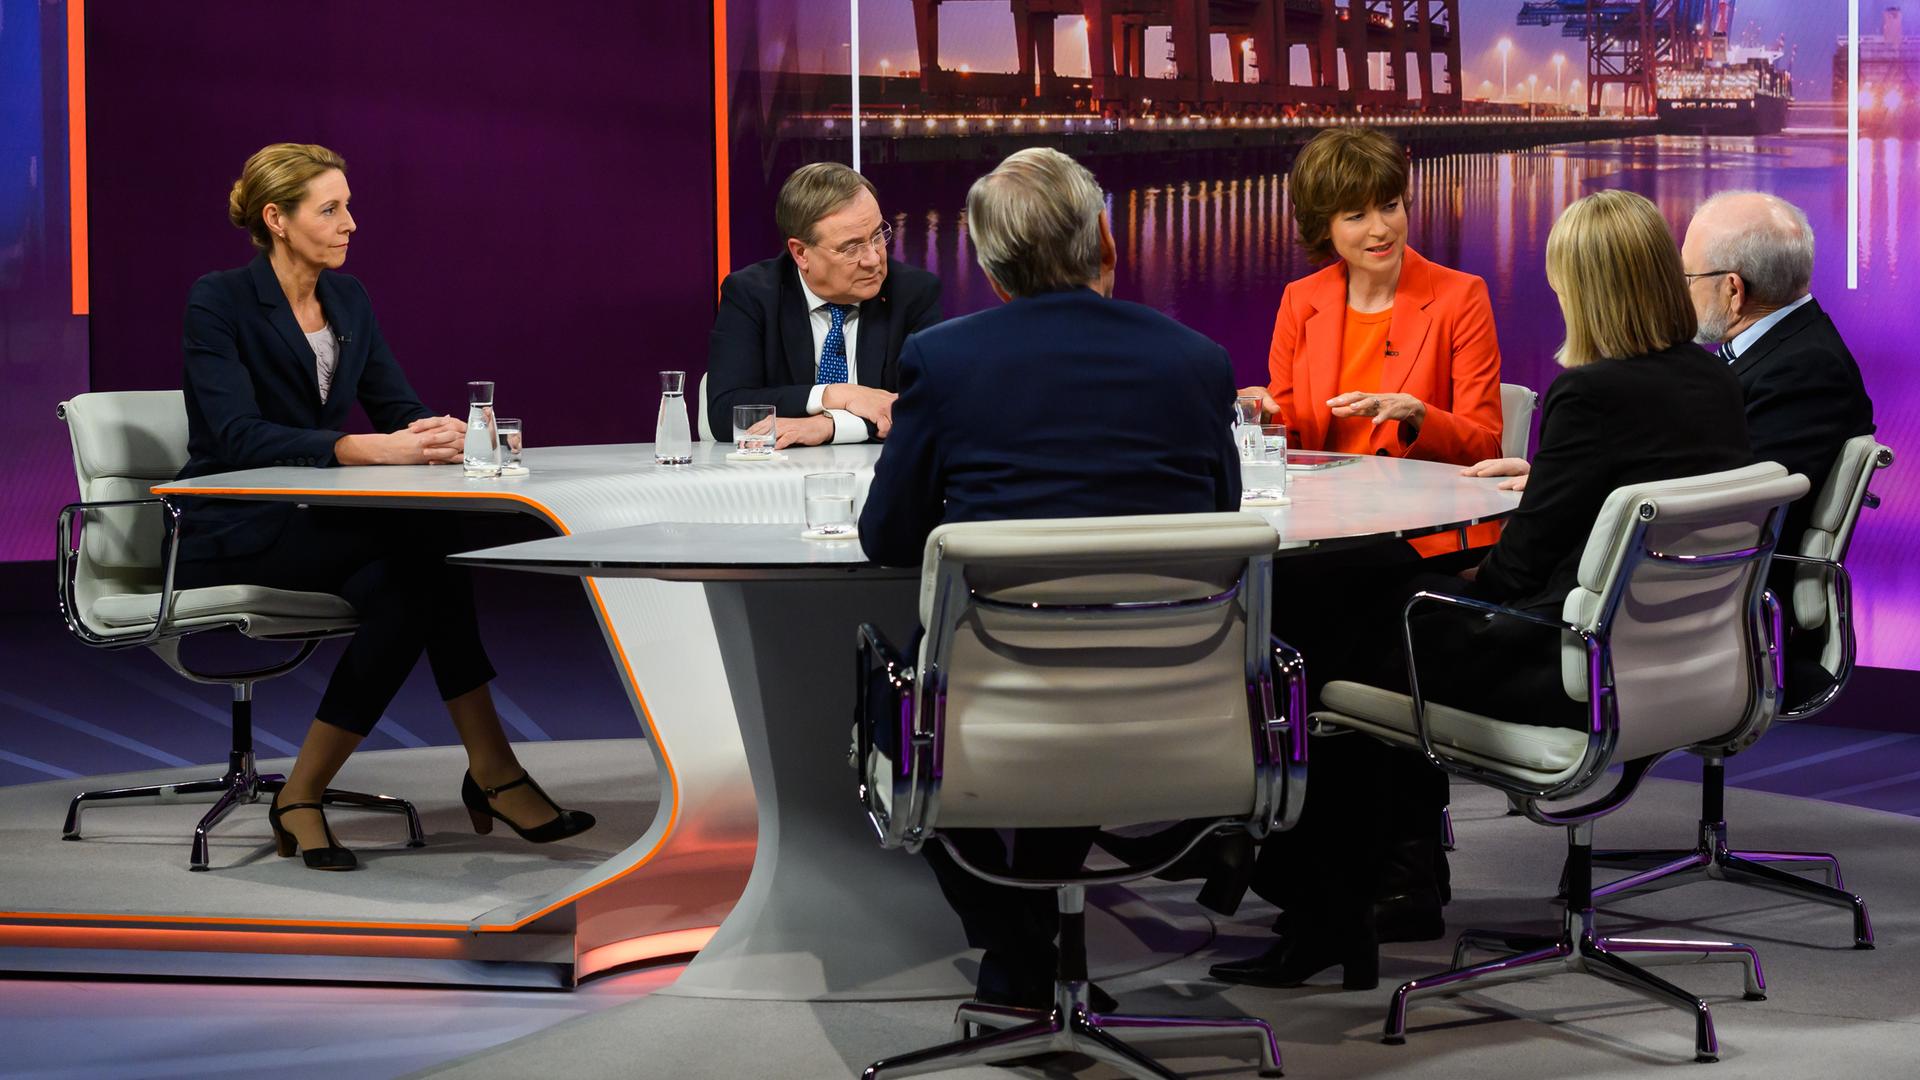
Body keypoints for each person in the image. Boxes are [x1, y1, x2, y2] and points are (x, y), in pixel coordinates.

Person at [1214, 190, 1753, 990]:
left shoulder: (1589, 396)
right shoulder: (1711, 382)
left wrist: (1462, 576)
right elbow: (1634, 487)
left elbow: (1514, 571)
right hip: (1663, 663)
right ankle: (1374, 884)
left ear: (1589, 289)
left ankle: (1313, 901)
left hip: (1556, 660)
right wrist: (1545, 480)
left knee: (1320, 635)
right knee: (1367, 613)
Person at [859, 147, 1241, 1011]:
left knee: (891, 698)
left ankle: (1017, 944)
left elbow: (888, 537)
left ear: (991, 269)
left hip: (1001, 695)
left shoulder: (942, 359)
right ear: (1105, 237)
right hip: (1173, 691)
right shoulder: (1197, 358)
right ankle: (1035, 951)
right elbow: (1222, 523)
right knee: (1077, 669)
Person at [174, 143, 593, 871]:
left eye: (347, 205)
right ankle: (493, 773)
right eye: (330, 209)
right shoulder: (221, 300)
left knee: (417, 581)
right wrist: (368, 450)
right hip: (230, 525)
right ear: (277, 219)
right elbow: (237, 435)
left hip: (312, 524)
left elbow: (394, 406)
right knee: (428, 563)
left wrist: (441, 432)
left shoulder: (348, 299)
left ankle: (304, 792)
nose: (350, 223)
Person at [1463, 190, 1874, 702]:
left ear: (1732, 291)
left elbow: (1726, 509)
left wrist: (1575, 486)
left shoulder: (1802, 371)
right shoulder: (1739, 363)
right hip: (1669, 608)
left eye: (1687, 277)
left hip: (1695, 618)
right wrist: (1566, 477)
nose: (1676, 292)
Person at [1243, 127, 1502, 487]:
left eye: (1389, 206)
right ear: (1324, 227)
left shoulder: (1462, 297)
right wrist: (1256, 419)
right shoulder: (1300, 300)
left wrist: (1418, 414)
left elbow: (1486, 448)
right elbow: (1289, 443)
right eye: (1356, 216)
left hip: (1423, 524)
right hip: (1324, 521)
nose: (1381, 229)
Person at [705, 163, 942, 447]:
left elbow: (933, 405)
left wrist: (830, 425)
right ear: (801, 253)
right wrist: (833, 395)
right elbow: (726, 413)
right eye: (851, 247)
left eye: (878, 236)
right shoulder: (752, 294)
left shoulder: (914, 293)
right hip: (777, 478)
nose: (873, 259)